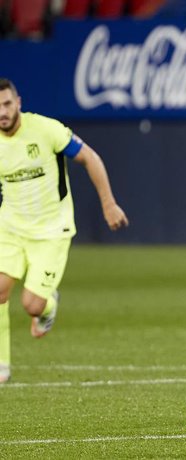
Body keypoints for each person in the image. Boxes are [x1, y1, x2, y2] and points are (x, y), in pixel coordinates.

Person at [0, 78, 129, 383]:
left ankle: (48, 307)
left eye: (6, 104)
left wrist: (109, 204)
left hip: (51, 230)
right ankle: (2, 364)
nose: (1, 112)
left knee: (31, 305)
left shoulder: (46, 130)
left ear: (18, 103)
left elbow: (90, 157)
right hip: (10, 228)